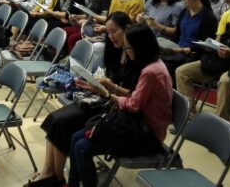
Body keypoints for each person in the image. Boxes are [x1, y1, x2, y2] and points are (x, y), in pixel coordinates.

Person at [26, 13, 135, 187]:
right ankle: (50, 173)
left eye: (114, 31)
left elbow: (131, 96)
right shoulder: (114, 50)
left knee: (62, 123)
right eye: (108, 32)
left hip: (113, 105)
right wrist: (98, 83)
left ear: (127, 29)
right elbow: (112, 79)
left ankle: (55, 177)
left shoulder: (135, 55)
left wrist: (108, 87)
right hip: (104, 98)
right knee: (55, 118)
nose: (111, 36)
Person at [66, 24, 172, 187]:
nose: (126, 51)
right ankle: (73, 183)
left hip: (145, 133)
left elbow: (134, 105)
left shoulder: (150, 72)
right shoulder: (154, 64)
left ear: (139, 48)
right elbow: (136, 96)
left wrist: (107, 94)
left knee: (82, 147)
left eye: (127, 47)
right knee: (76, 137)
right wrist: (111, 86)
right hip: (136, 123)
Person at [161, 0, 218, 85]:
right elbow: (177, 34)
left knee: (167, 67)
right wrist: (173, 48)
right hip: (179, 49)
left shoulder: (208, 18)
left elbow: (206, 45)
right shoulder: (184, 12)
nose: (184, 2)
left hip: (193, 54)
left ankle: (170, 93)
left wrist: (187, 49)